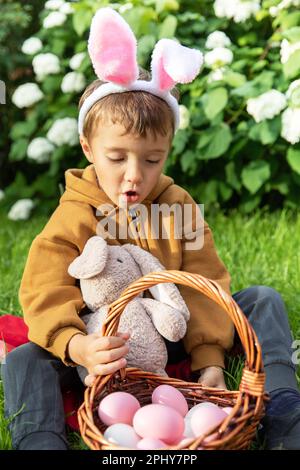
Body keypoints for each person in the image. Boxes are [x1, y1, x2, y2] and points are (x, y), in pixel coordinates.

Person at [2, 7, 300, 450]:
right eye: (117, 158)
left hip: (173, 333)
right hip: (106, 351)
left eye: (152, 159)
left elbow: (203, 283)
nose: (134, 175)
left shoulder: (179, 207)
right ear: (88, 147)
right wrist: (77, 346)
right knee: (27, 356)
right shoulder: (75, 212)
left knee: (262, 300)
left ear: (168, 149)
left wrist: (210, 359)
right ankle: (39, 439)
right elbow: (45, 290)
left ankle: (283, 409)